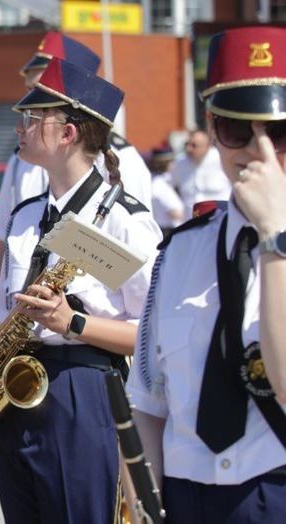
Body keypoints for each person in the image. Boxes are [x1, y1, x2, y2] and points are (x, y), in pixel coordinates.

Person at [0, 57, 161, 522]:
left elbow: (153, 337)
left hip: (83, 390)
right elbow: (11, 314)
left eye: (32, 119)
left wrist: (74, 322)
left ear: (67, 134)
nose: (20, 127)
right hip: (15, 386)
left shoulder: (124, 219)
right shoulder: (24, 215)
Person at [128, 26, 286, 521]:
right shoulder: (180, 250)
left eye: (279, 132)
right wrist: (144, 502)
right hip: (186, 494)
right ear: (213, 127)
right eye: (237, 129)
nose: (258, 151)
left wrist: (275, 237)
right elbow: (149, 402)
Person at [0, 31, 153, 284]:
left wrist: (74, 319)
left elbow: (133, 267)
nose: (28, 103)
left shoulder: (126, 160)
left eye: (38, 99)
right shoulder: (21, 158)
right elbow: (5, 239)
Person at [170, 128, 232, 219]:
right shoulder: (180, 164)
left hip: (220, 220)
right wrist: (173, 205)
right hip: (191, 222)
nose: (189, 149)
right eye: (187, 144)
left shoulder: (222, 160)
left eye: (194, 145)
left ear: (207, 146)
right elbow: (167, 185)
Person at [149, 145, 184, 237]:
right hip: (168, 231)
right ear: (168, 163)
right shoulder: (161, 185)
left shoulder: (153, 180)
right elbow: (176, 213)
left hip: (162, 230)